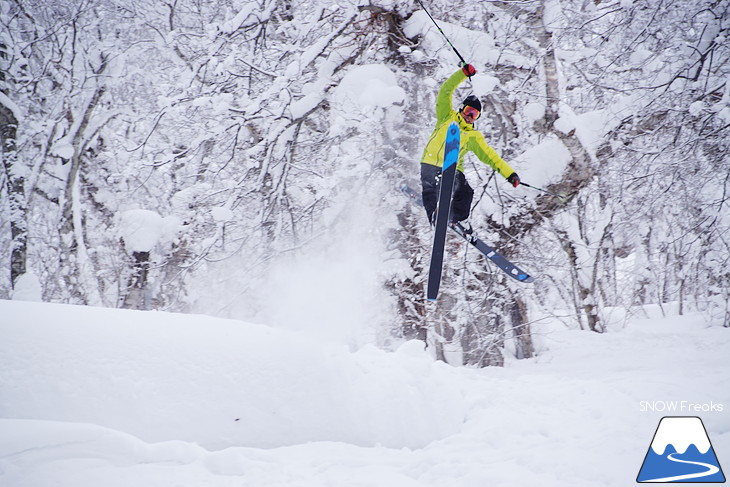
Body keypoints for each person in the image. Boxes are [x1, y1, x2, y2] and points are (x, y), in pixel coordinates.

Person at [420, 63, 520, 228]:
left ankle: (455, 218)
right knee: (430, 190)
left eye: (474, 115)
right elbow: (445, 91)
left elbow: (491, 156)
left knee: (466, 192)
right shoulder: (447, 116)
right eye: (468, 111)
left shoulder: (473, 136)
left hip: (452, 170)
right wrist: (462, 74)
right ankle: (435, 215)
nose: (469, 117)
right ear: (461, 109)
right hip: (430, 163)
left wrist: (510, 174)